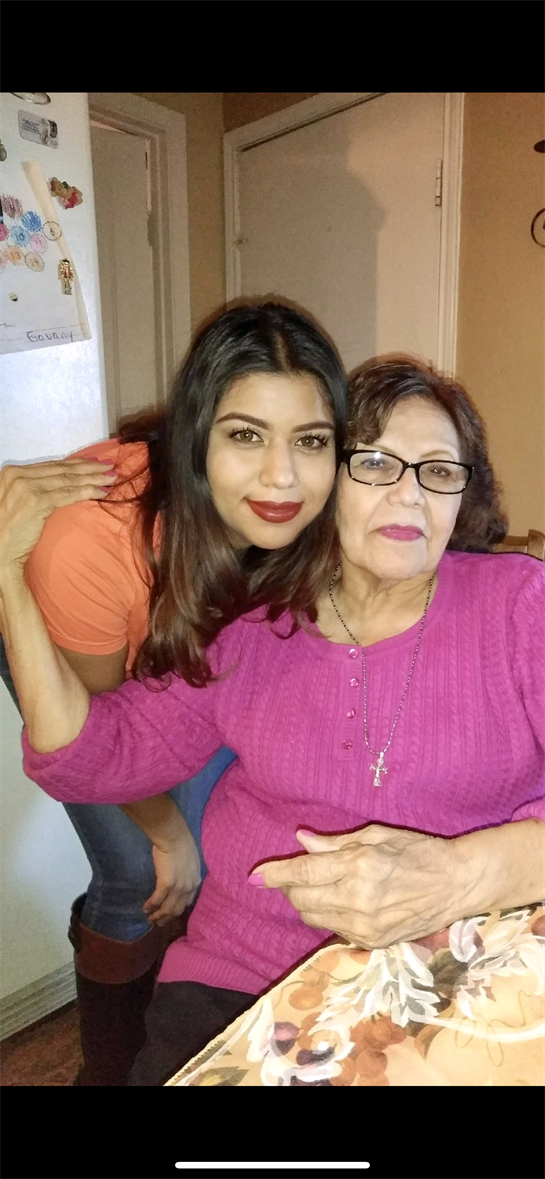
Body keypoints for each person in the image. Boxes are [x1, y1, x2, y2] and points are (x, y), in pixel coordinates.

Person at [1, 358, 543, 1087]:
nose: (409, 494)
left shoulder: (520, 606)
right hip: (247, 979)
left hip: (465, 973)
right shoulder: (250, 627)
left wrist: (459, 875)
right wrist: (8, 578)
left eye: (439, 471)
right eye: (375, 463)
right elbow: (95, 754)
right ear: (323, 482)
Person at [0, 301, 347, 1085]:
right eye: (246, 435)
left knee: (215, 843)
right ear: (197, 436)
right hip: (80, 647)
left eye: (310, 440)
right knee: (143, 870)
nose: (282, 477)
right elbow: (103, 737)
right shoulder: (88, 540)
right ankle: (108, 1069)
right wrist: (168, 835)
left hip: (180, 634)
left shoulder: (310, 518)